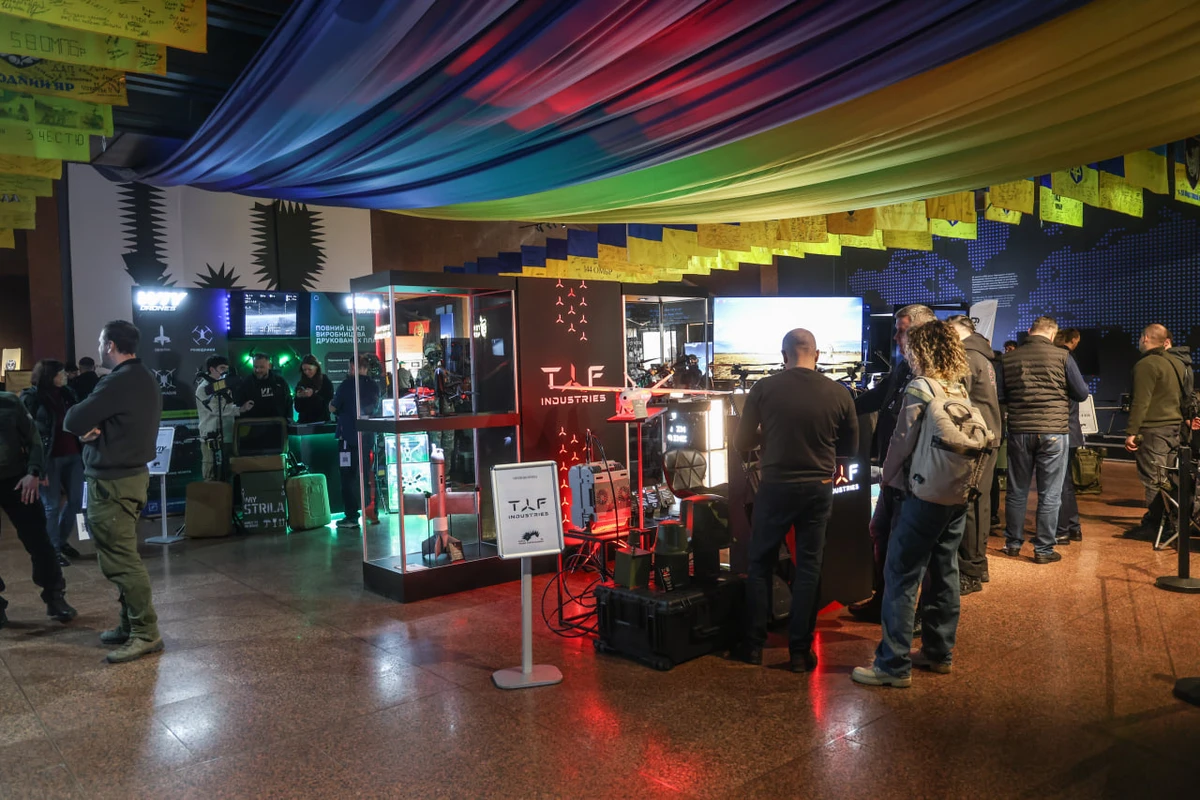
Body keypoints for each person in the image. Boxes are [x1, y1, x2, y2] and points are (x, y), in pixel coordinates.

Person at [851, 321, 975, 688]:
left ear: (921, 351)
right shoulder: (957, 387)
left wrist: (886, 478)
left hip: (919, 494)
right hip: (954, 493)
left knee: (902, 575)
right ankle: (938, 653)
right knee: (944, 573)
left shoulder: (920, 387)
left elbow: (901, 442)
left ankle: (893, 665)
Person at [731, 329, 858, 672]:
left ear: (784, 356)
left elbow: (742, 442)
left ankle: (754, 646)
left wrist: (768, 435)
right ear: (816, 355)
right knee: (809, 568)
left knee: (760, 564)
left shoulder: (763, 389)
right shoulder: (839, 392)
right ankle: (800, 653)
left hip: (774, 487)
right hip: (818, 487)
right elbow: (850, 448)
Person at [63, 320, 164, 664]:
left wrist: (89, 431)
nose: (98, 348)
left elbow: (73, 419)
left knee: (121, 561)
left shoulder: (117, 381)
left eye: (99, 342)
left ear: (110, 345)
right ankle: (129, 623)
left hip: (113, 483)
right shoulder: (144, 376)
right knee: (121, 554)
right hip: (130, 477)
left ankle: (145, 632)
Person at [848, 304, 936, 623]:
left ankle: (917, 616)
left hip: (917, 476)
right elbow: (880, 397)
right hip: (892, 470)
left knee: (915, 549)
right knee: (881, 532)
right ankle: (883, 601)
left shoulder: (935, 372)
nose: (896, 337)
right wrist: (843, 406)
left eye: (902, 331)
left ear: (922, 332)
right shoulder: (904, 367)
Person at [999, 316, 1089, 564]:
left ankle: (1012, 544)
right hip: (1053, 431)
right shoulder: (1063, 357)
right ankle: (1043, 550)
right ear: (1052, 335)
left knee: (1016, 491)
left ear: (1030, 331)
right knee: (1050, 493)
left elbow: (1000, 395)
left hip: (1019, 430)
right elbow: (1082, 393)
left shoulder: (1008, 358)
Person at [0, 390, 77, 628]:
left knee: (39, 542)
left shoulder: (9, 402)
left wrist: (34, 472)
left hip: (17, 482)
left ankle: (55, 597)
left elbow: (34, 439)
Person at [1124, 324, 1193, 540]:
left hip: (1153, 430)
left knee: (1154, 479)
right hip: (1174, 429)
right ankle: (1170, 522)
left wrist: (1132, 431)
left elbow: (1141, 401)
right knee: (1167, 479)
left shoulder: (1146, 364)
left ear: (1145, 338)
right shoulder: (1176, 363)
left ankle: (1155, 526)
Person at [947, 316, 1001, 595]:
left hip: (977, 439)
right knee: (979, 503)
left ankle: (971, 571)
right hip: (987, 435)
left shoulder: (967, 357)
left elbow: (956, 401)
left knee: (971, 504)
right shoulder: (983, 355)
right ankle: (977, 565)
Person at [21, 359, 85, 566]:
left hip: (73, 454)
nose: (65, 376)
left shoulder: (68, 394)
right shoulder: (32, 398)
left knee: (76, 501)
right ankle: (53, 550)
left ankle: (61, 540)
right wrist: (36, 467)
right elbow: (27, 434)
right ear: (50, 376)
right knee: (52, 506)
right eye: (61, 373)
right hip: (49, 459)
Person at [331, 355, 381, 529]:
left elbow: (334, 406)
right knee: (367, 475)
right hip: (367, 438)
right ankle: (372, 512)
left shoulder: (346, 385)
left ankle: (351, 517)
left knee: (348, 478)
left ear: (354, 367)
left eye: (351, 367)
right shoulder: (374, 386)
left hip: (348, 438)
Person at [195, 356, 253, 482]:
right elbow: (217, 410)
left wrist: (241, 408)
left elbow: (229, 406)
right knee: (211, 472)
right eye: (222, 368)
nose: (224, 372)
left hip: (227, 434)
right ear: (212, 369)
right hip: (211, 436)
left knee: (228, 471)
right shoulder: (203, 388)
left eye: (226, 369)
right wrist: (238, 410)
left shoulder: (224, 385)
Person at [1054, 329, 1086, 545]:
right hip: (1070, 430)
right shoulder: (1069, 360)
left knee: (1061, 484)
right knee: (1065, 483)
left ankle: (1063, 529)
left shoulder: (1061, 360)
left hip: (1062, 430)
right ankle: (1072, 527)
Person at [235, 353, 293, 421]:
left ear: (269, 366)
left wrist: (289, 421)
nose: (258, 370)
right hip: (253, 425)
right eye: (255, 367)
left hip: (278, 424)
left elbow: (288, 403)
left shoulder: (280, 382)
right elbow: (239, 405)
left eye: (261, 367)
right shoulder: (246, 383)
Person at [294, 355, 334, 424]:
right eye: (304, 370)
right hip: (304, 422)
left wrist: (312, 394)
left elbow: (327, 404)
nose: (307, 372)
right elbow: (298, 408)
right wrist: (298, 397)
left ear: (316, 367)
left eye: (309, 369)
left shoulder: (325, 381)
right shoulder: (301, 383)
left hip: (321, 422)